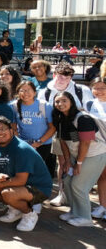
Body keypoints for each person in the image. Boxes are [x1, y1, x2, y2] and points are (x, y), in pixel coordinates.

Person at [0, 116, 53, 232]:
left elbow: (20, 180)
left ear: (11, 130)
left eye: (3, 129)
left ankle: (29, 214)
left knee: (7, 194)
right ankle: (15, 209)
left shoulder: (21, 149)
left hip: (38, 187)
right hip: (14, 183)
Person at [52, 91, 106, 227]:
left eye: (64, 100)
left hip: (95, 155)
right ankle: (75, 212)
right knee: (68, 181)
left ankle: (85, 218)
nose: (60, 104)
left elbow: (86, 142)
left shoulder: (83, 118)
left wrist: (79, 163)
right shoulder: (61, 118)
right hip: (79, 155)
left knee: (79, 185)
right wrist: (68, 161)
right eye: (57, 101)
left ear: (71, 101)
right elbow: (65, 141)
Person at [11, 81, 56, 179]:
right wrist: (20, 142)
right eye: (22, 90)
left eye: (28, 90)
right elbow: (13, 127)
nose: (25, 93)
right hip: (24, 143)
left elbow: (52, 128)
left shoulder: (44, 106)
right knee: (25, 169)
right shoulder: (14, 106)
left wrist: (40, 142)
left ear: (35, 92)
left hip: (44, 144)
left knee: (39, 170)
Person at [85, 78, 106, 220]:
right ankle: (102, 206)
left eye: (103, 88)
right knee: (102, 176)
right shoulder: (89, 104)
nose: (99, 91)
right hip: (97, 147)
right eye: (96, 88)